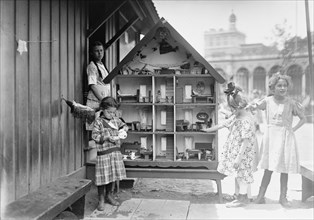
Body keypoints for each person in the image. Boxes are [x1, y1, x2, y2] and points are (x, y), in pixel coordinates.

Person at [247, 73, 306, 207]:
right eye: (279, 85)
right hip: (271, 138)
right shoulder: (267, 101)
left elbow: (303, 119)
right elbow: (255, 107)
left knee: (284, 168)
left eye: (285, 85)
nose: (282, 88)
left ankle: (283, 197)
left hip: (286, 138)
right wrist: (251, 106)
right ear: (273, 87)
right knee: (269, 167)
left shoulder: (291, 103)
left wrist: (293, 129)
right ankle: (261, 196)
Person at [202, 82, 258, 208]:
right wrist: (208, 130)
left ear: (239, 106)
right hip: (237, 151)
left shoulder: (246, 121)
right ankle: (240, 197)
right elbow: (223, 124)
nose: (232, 111)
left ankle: (243, 199)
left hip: (242, 153)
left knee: (243, 176)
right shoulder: (237, 116)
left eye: (233, 108)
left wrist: (239, 157)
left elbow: (246, 141)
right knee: (239, 175)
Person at [92, 97, 128, 211]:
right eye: (109, 112)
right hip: (104, 154)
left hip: (115, 152)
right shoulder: (98, 122)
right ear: (102, 109)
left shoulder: (115, 119)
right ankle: (101, 199)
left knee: (112, 176)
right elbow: (95, 136)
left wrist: (124, 130)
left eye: (113, 112)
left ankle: (109, 195)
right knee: (103, 177)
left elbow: (124, 125)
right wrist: (108, 137)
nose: (111, 114)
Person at [86, 41, 111, 131]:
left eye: (101, 50)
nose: (99, 53)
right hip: (95, 102)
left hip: (102, 102)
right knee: (95, 130)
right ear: (92, 53)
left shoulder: (102, 65)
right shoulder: (92, 66)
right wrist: (103, 100)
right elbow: (92, 85)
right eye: (97, 51)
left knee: (103, 130)